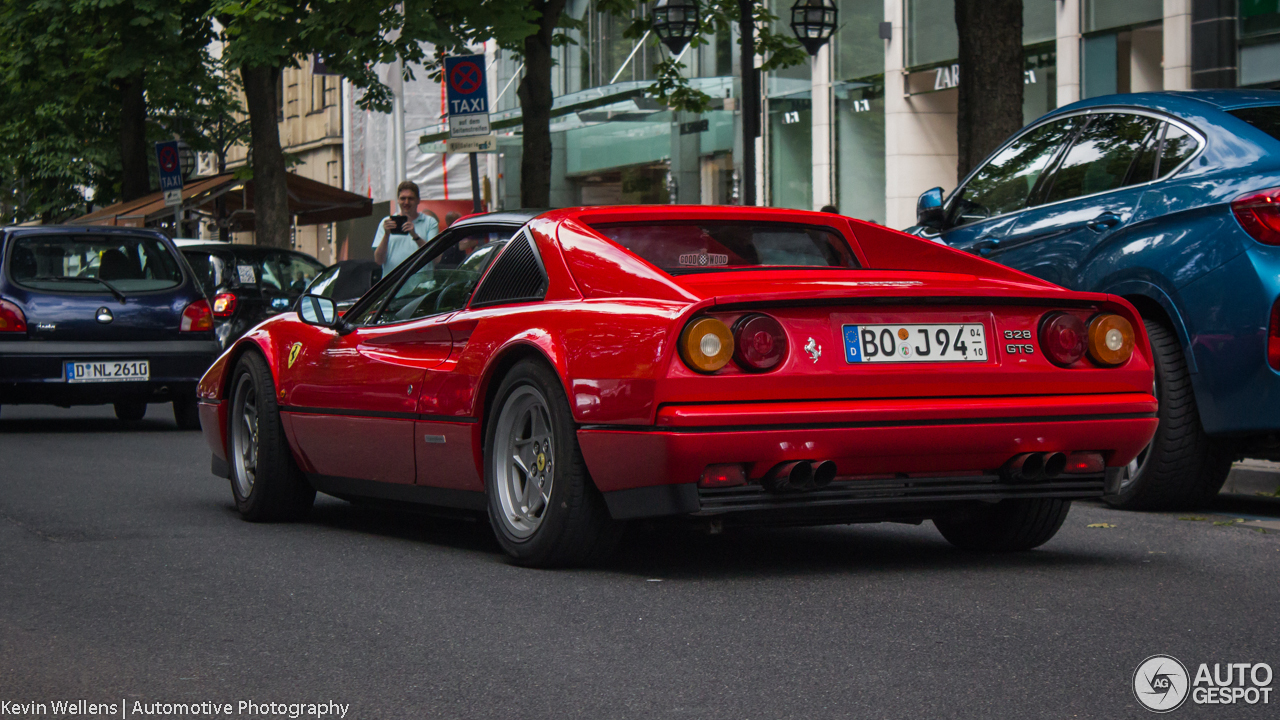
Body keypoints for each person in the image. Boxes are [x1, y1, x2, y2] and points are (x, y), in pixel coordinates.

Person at [373, 181, 438, 275]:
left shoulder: (430, 222)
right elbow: (378, 260)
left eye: (410, 198)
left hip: (421, 286)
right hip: (394, 286)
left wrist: (415, 236)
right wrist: (386, 235)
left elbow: (436, 258)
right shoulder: (386, 222)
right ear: (398, 200)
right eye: (403, 198)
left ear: (418, 200)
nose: (406, 202)